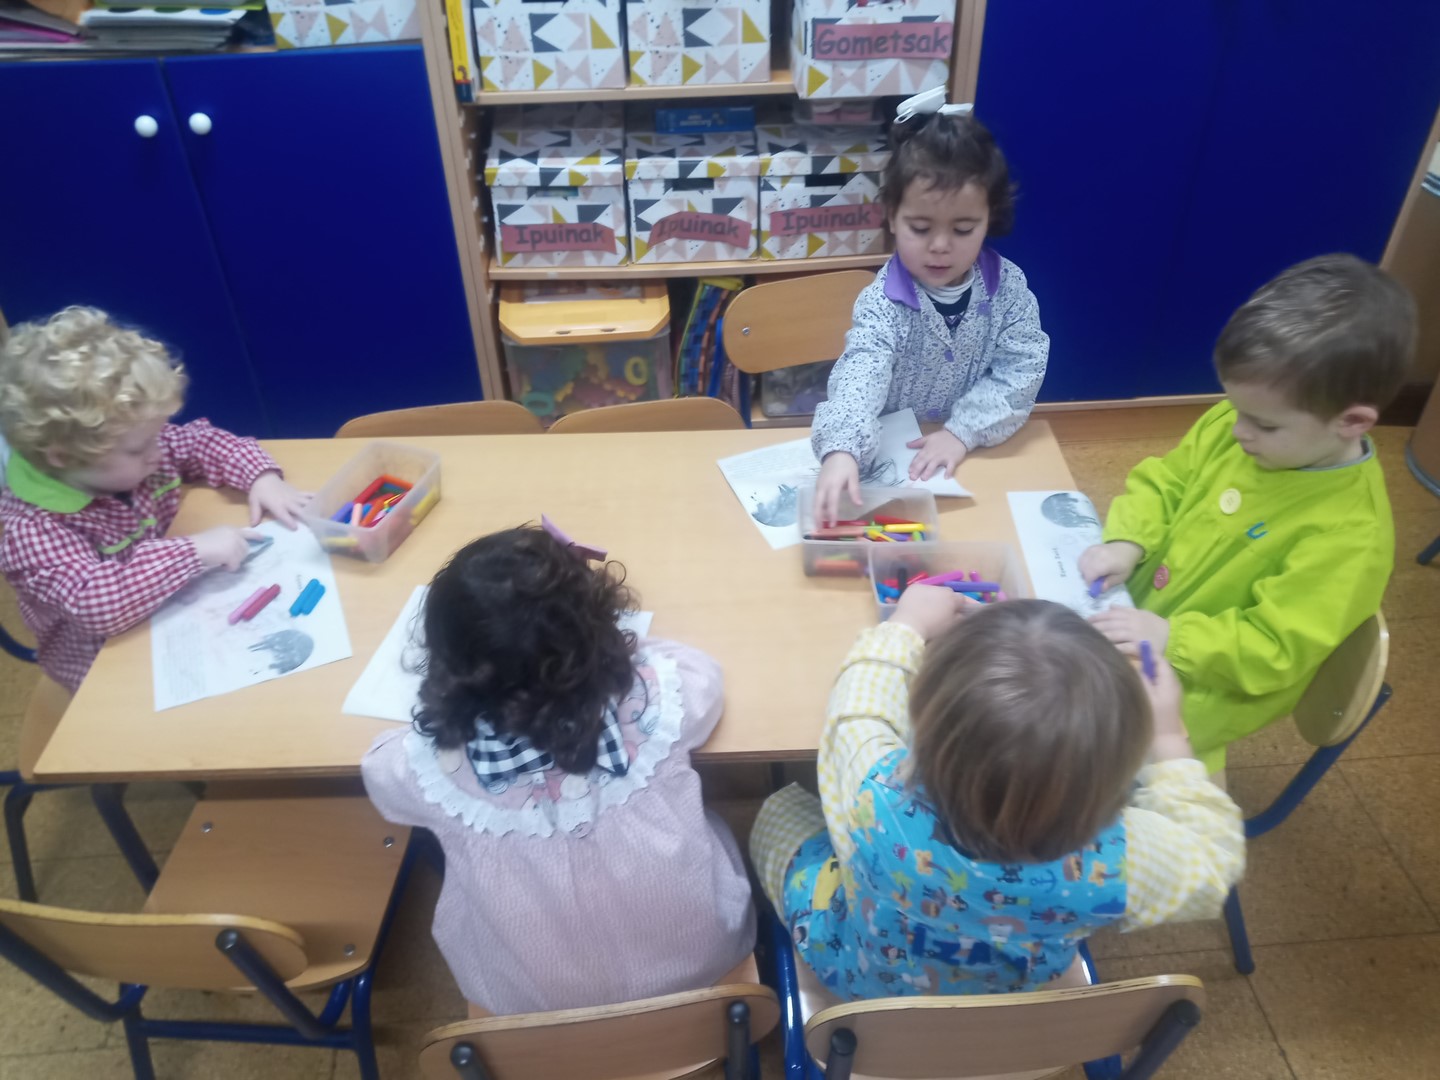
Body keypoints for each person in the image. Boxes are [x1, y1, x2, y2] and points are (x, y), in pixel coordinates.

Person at [751, 588, 1244, 998]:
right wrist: (1169, 737)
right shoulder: (1124, 862)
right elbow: (1214, 857)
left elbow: (857, 711)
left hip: (862, 980)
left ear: (923, 721)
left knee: (777, 813)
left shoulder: (875, 794)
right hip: (1015, 1000)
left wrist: (906, 625)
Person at [361, 526, 755, 1014]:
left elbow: (378, 772)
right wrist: (622, 655)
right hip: (705, 970)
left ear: (449, 667)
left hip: (534, 1005)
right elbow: (703, 674)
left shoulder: (428, 771)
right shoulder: (655, 702)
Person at [1080, 254, 1416, 772]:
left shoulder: (1352, 535)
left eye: (1264, 424)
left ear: (1351, 422)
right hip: (1133, 624)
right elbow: (1166, 481)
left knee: (1072, 758)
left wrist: (1172, 639)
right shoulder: (1245, 424)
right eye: (1235, 408)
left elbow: (1273, 647)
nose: (1238, 430)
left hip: (1189, 699)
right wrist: (1129, 541)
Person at [0, 306, 310, 691]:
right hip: (103, 665)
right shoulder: (30, 529)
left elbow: (200, 441)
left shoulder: (123, 450)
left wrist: (261, 477)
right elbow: (95, 603)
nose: (158, 452)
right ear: (63, 457)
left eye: (156, 434)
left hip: (169, 612)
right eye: (139, 448)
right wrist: (193, 551)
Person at [811, 90, 1050, 525]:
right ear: (892, 216)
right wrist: (842, 449)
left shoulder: (1009, 289)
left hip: (972, 454)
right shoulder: (882, 302)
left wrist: (962, 433)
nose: (940, 246)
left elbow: (1023, 369)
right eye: (920, 228)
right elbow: (861, 372)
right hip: (892, 460)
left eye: (963, 229)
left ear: (989, 220)